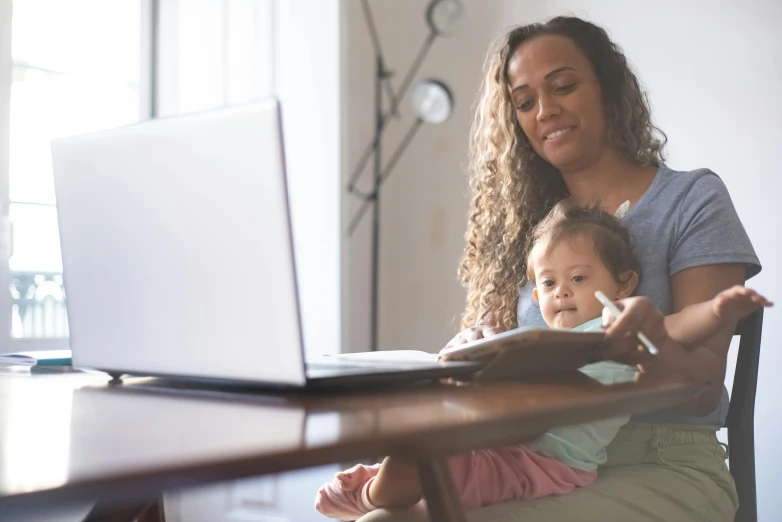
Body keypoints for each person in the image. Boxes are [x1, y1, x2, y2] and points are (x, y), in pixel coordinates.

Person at [354, 14, 763, 522]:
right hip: (532, 464)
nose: (545, 110)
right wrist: (476, 350)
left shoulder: (691, 199)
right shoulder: (531, 235)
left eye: (564, 86)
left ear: (608, 89)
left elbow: (703, 390)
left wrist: (642, 349)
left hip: (663, 462)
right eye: (524, 102)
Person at [315, 202, 771, 521]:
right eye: (549, 284)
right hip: (505, 440)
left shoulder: (621, 330)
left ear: (623, 284)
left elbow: (679, 325)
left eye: (577, 277)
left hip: (543, 465)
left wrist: (718, 311)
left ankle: (368, 492)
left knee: (422, 463)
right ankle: (374, 486)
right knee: (424, 444)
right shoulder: (538, 342)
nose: (562, 292)